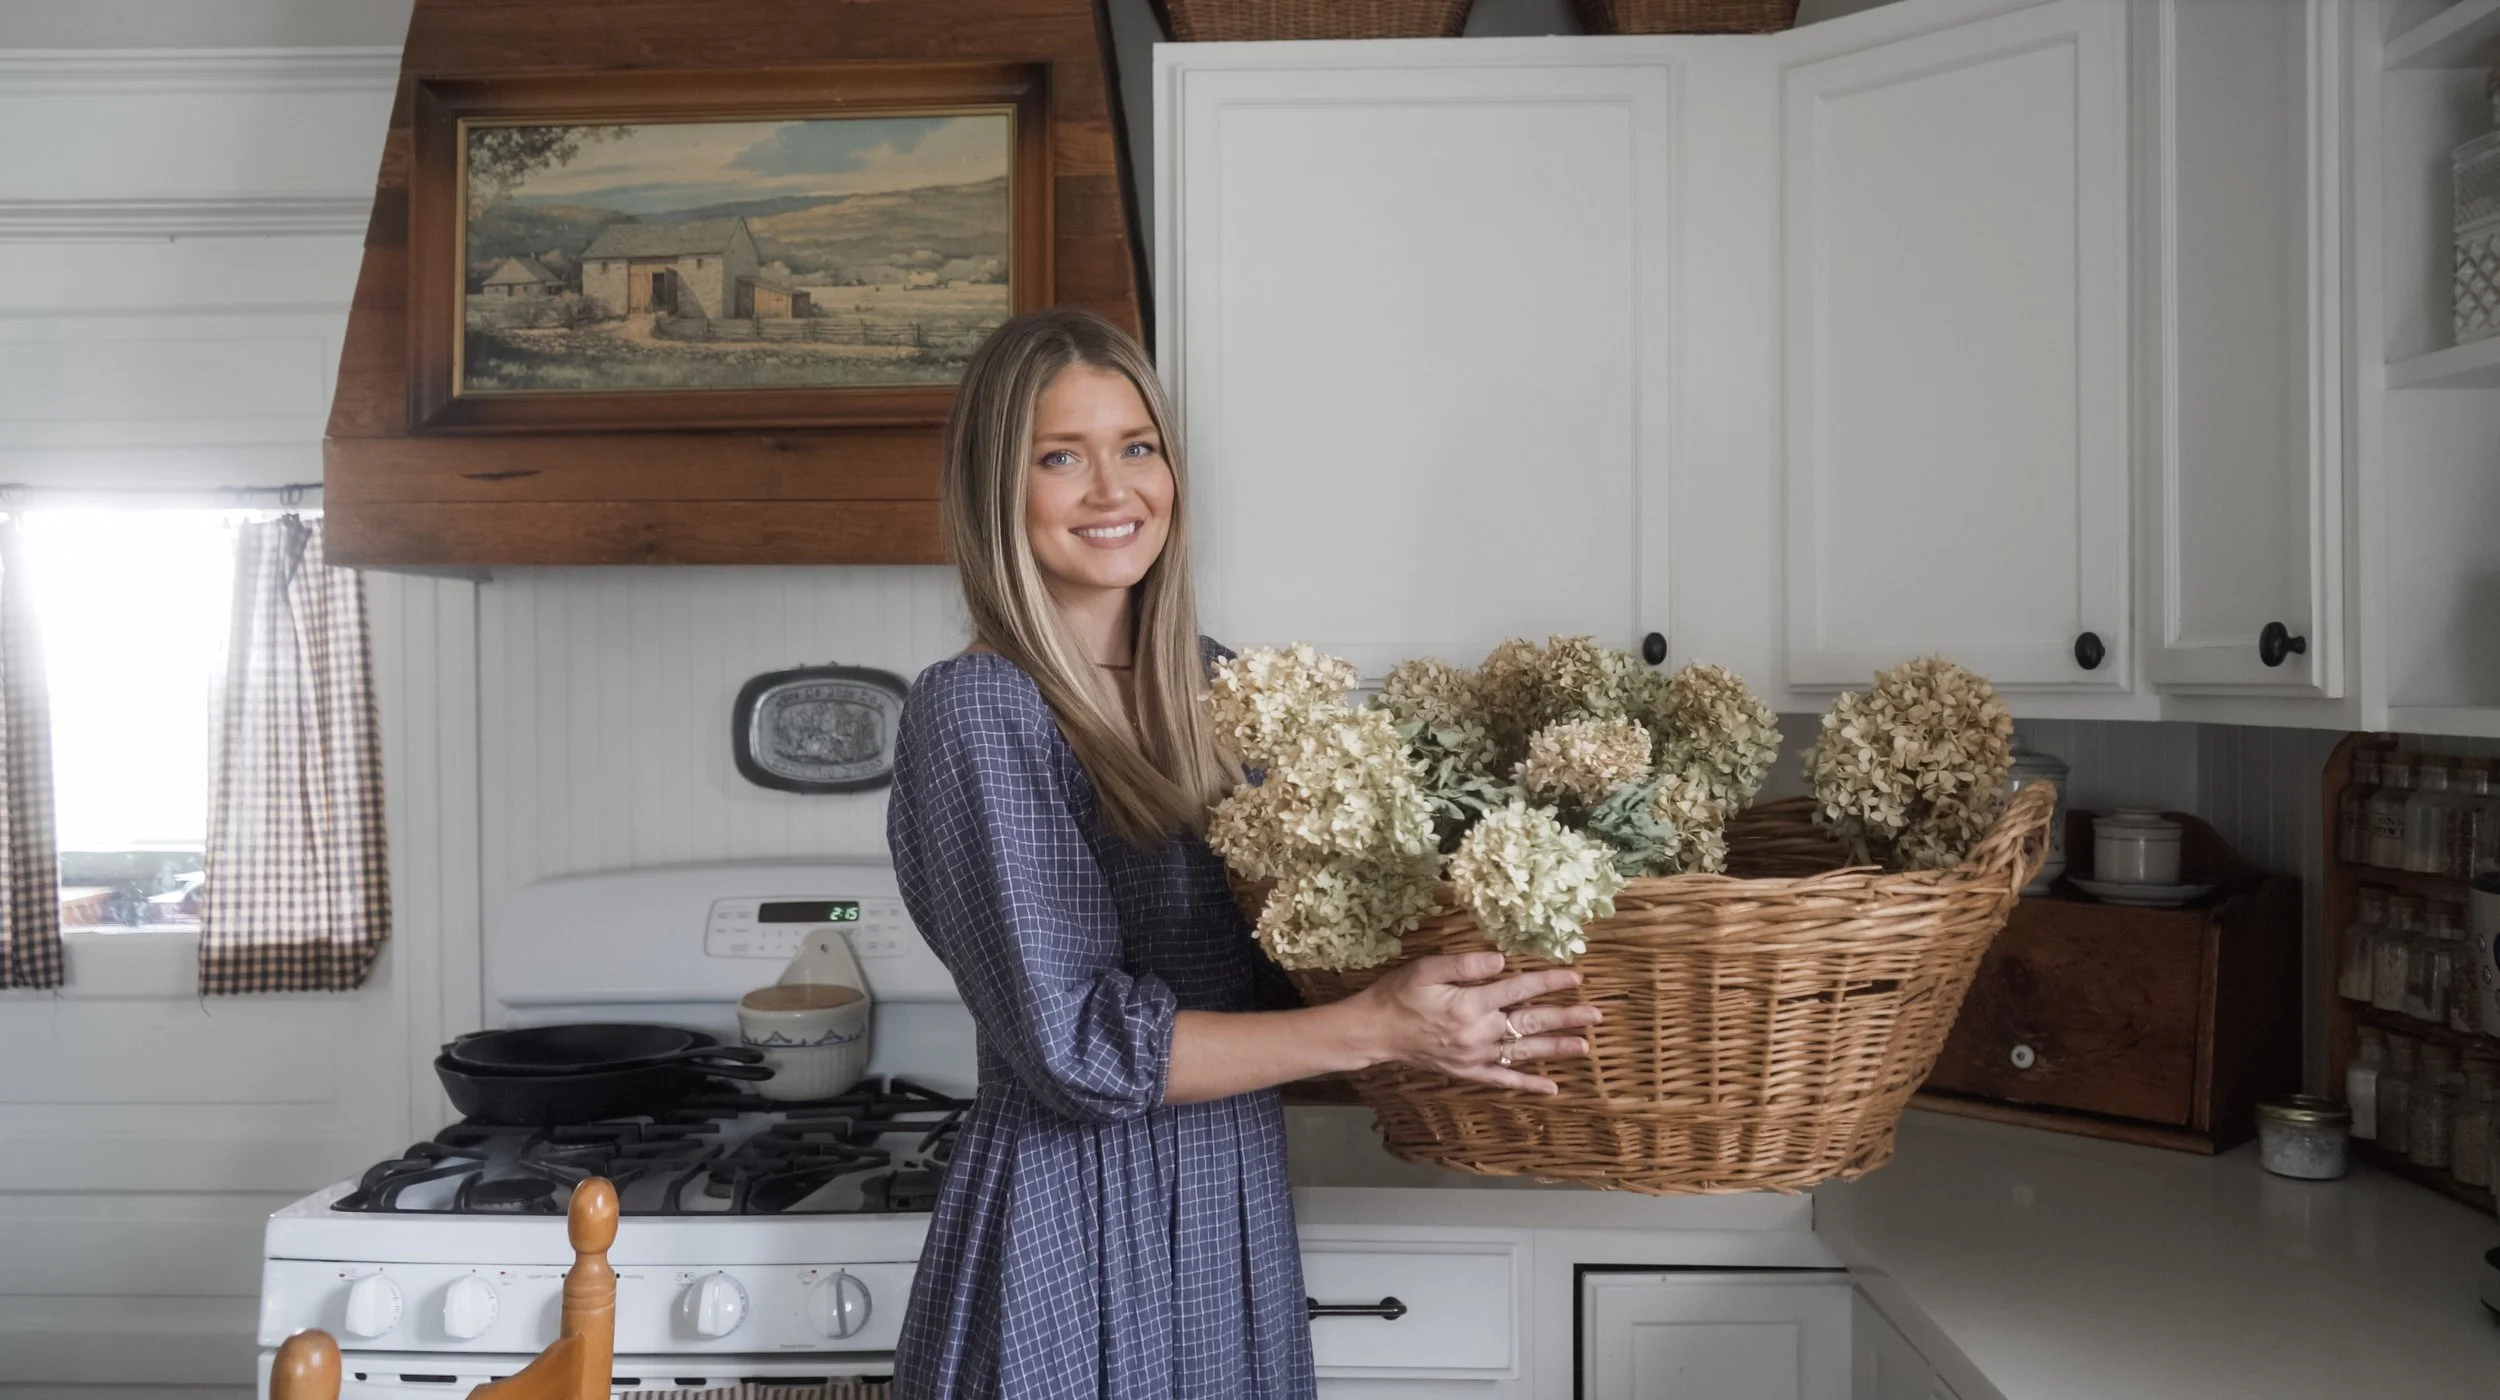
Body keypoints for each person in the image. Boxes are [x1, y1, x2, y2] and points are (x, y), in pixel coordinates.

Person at [885, 309, 1604, 1400]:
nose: (1111, 489)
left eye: (1137, 446)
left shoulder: (1213, 687)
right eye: (1059, 457)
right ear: (997, 488)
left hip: (1225, 1197)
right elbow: (1076, 1047)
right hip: (1068, 1215)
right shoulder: (980, 710)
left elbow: (1289, 963)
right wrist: (1377, 1022)